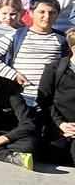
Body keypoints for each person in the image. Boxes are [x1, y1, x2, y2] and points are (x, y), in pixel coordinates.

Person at [0, 0, 68, 101]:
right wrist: (13, 74)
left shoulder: (63, 40)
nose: (47, 16)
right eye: (42, 12)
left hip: (52, 98)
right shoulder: (16, 36)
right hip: (21, 97)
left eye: (52, 13)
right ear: (31, 13)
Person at [36, 29, 75, 167]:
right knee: (52, 156)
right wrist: (60, 123)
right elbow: (44, 100)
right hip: (58, 124)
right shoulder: (55, 69)